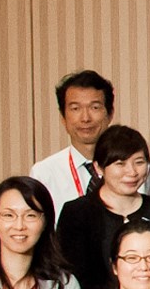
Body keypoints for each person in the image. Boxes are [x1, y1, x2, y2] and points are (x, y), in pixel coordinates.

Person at [57, 127, 150, 289]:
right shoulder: (77, 213)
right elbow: (75, 277)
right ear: (98, 168)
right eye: (120, 163)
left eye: (139, 162)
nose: (132, 172)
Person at [31, 69, 116, 211]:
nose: (85, 118)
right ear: (63, 117)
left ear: (110, 114)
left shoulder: (134, 167)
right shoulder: (44, 173)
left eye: (94, 107)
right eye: (75, 108)